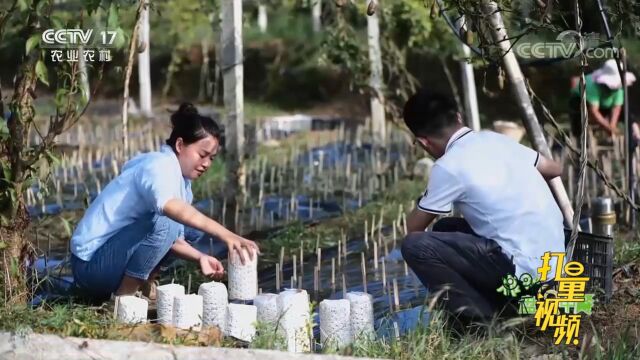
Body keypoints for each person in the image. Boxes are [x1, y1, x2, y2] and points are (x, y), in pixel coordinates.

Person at [400, 91, 565, 328]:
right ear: (458, 116)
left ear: (423, 142)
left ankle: (481, 321)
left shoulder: (449, 166)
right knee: (446, 227)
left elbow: (413, 230)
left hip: (527, 274)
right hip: (554, 265)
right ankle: (497, 303)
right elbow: (553, 168)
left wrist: (427, 197)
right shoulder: (494, 139)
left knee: (415, 246)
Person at [70, 103, 259, 301]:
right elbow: (168, 217)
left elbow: (172, 239)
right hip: (91, 267)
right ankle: (123, 300)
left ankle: (143, 281)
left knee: (189, 230)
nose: (207, 164)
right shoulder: (159, 165)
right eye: (202, 155)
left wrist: (200, 257)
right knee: (169, 220)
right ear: (179, 145)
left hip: (113, 258)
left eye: (211, 158)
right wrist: (226, 235)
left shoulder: (182, 181)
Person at [569, 59, 636, 139]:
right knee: (579, 116)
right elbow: (593, 111)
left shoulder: (619, 88)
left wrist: (612, 126)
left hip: (604, 105)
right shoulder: (591, 84)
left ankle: (633, 141)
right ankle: (579, 138)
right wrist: (607, 127)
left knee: (627, 113)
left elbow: (616, 108)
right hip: (581, 104)